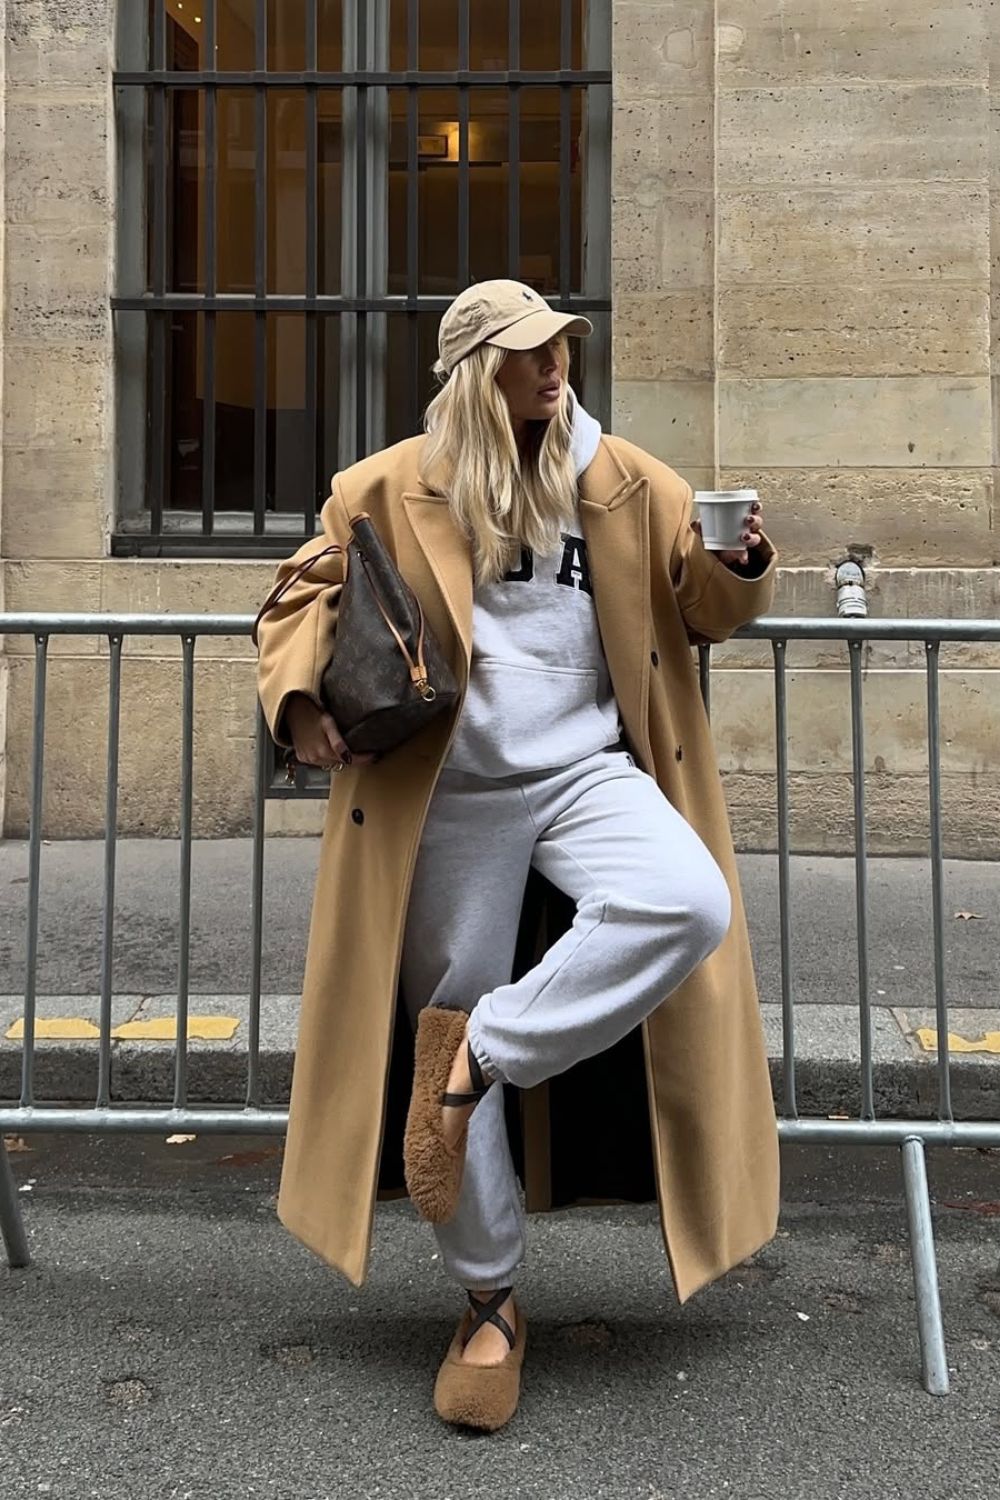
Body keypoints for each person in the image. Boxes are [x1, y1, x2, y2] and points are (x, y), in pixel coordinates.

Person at [255, 280, 779, 1433]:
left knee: (685, 900)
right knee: (447, 992)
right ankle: (488, 1304)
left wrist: (737, 562)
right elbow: (296, 599)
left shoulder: (626, 478)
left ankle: (479, 1053)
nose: (557, 368)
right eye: (530, 355)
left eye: (561, 349)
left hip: (587, 769)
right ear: (477, 376)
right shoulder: (386, 486)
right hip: (443, 795)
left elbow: (702, 608)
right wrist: (300, 709)